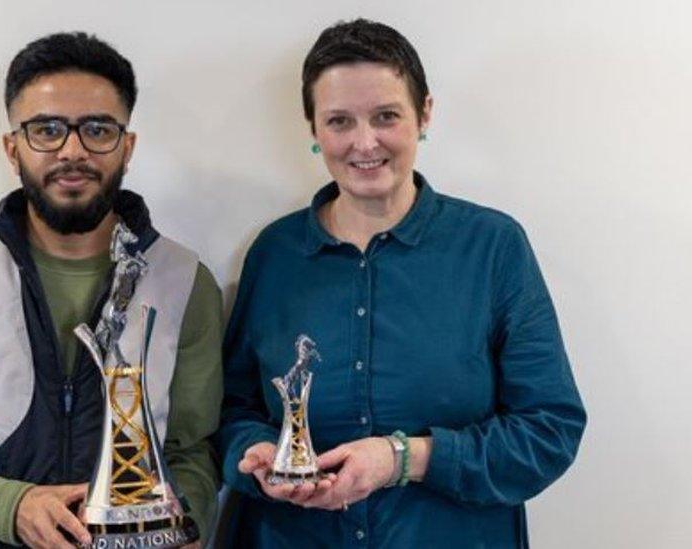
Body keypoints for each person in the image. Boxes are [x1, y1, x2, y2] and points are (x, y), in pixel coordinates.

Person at [218, 19, 586, 547]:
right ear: (313, 129)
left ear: (425, 114)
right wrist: (250, 454)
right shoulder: (274, 255)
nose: (364, 143)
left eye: (385, 116)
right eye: (339, 121)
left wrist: (403, 458)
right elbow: (233, 409)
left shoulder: (493, 247)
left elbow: (550, 431)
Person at [0, 32, 222, 549]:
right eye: (46, 129)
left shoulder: (186, 281)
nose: (72, 150)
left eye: (98, 129)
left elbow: (194, 446)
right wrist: (10, 507)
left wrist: (184, 519)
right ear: (13, 148)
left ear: (128, 146)